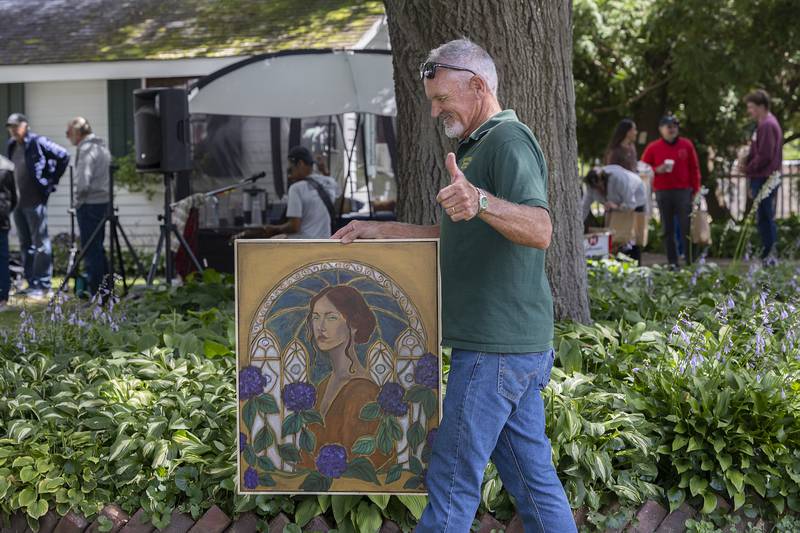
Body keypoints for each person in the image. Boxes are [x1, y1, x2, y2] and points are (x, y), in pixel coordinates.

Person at [332, 38, 576, 532]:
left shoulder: (507, 140)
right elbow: (454, 236)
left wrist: (481, 202)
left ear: (479, 85)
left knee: (449, 479)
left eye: (444, 98)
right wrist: (380, 230)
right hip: (509, 347)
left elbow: (540, 229)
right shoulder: (477, 147)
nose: (435, 110)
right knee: (533, 485)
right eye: (431, 101)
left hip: (495, 348)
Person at [296, 285, 392, 471]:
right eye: (316, 317)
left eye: (331, 317)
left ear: (354, 324)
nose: (320, 327)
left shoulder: (363, 392)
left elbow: (363, 466)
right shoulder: (324, 385)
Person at [6, 113, 69, 297]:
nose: (13, 130)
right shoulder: (11, 145)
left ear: (25, 126)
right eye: (10, 127)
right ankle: (32, 283)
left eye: (16, 126)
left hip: (35, 200)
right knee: (26, 244)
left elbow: (63, 155)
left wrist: (51, 182)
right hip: (17, 203)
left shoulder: (37, 141)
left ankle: (43, 284)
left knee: (41, 242)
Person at [641, 114, 701, 268]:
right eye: (668, 126)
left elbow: (694, 169)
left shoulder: (686, 145)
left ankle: (690, 261)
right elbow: (643, 169)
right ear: (661, 129)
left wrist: (696, 191)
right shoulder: (653, 147)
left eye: (674, 126)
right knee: (667, 229)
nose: (672, 129)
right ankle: (672, 262)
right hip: (663, 192)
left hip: (683, 192)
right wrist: (657, 169)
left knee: (686, 227)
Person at [66, 116, 111, 295]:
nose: (68, 136)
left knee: (91, 250)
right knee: (98, 248)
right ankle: (106, 291)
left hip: (89, 204)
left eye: (68, 132)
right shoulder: (102, 146)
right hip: (103, 202)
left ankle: (97, 295)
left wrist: (76, 203)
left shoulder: (86, 149)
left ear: (77, 132)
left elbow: (83, 183)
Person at [256, 146, 339, 239]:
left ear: (300, 163)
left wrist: (273, 228)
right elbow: (328, 180)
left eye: (290, 164)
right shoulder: (330, 182)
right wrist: (324, 170)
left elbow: (294, 227)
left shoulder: (296, 188)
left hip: (303, 246)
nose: (289, 169)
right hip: (324, 242)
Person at [744, 89, 783, 261]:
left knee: (766, 218)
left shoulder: (767, 124)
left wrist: (748, 168)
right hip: (762, 176)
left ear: (761, 107)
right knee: (764, 218)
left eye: (751, 107)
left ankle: (770, 257)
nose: (749, 111)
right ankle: (769, 255)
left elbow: (765, 155)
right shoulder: (764, 124)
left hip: (764, 177)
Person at [582, 165, 647, 263]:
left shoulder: (619, 180)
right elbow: (584, 207)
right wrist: (578, 224)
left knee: (631, 236)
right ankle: (617, 264)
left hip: (635, 199)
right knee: (614, 236)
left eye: (600, 187)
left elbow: (631, 204)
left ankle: (635, 264)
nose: (599, 191)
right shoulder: (591, 188)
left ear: (604, 180)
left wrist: (617, 207)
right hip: (615, 206)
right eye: (595, 188)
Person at [0, 154, 17, 311]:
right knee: (2, 259)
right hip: (2, 218)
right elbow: (14, 197)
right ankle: (3, 298)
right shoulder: (7, 166)